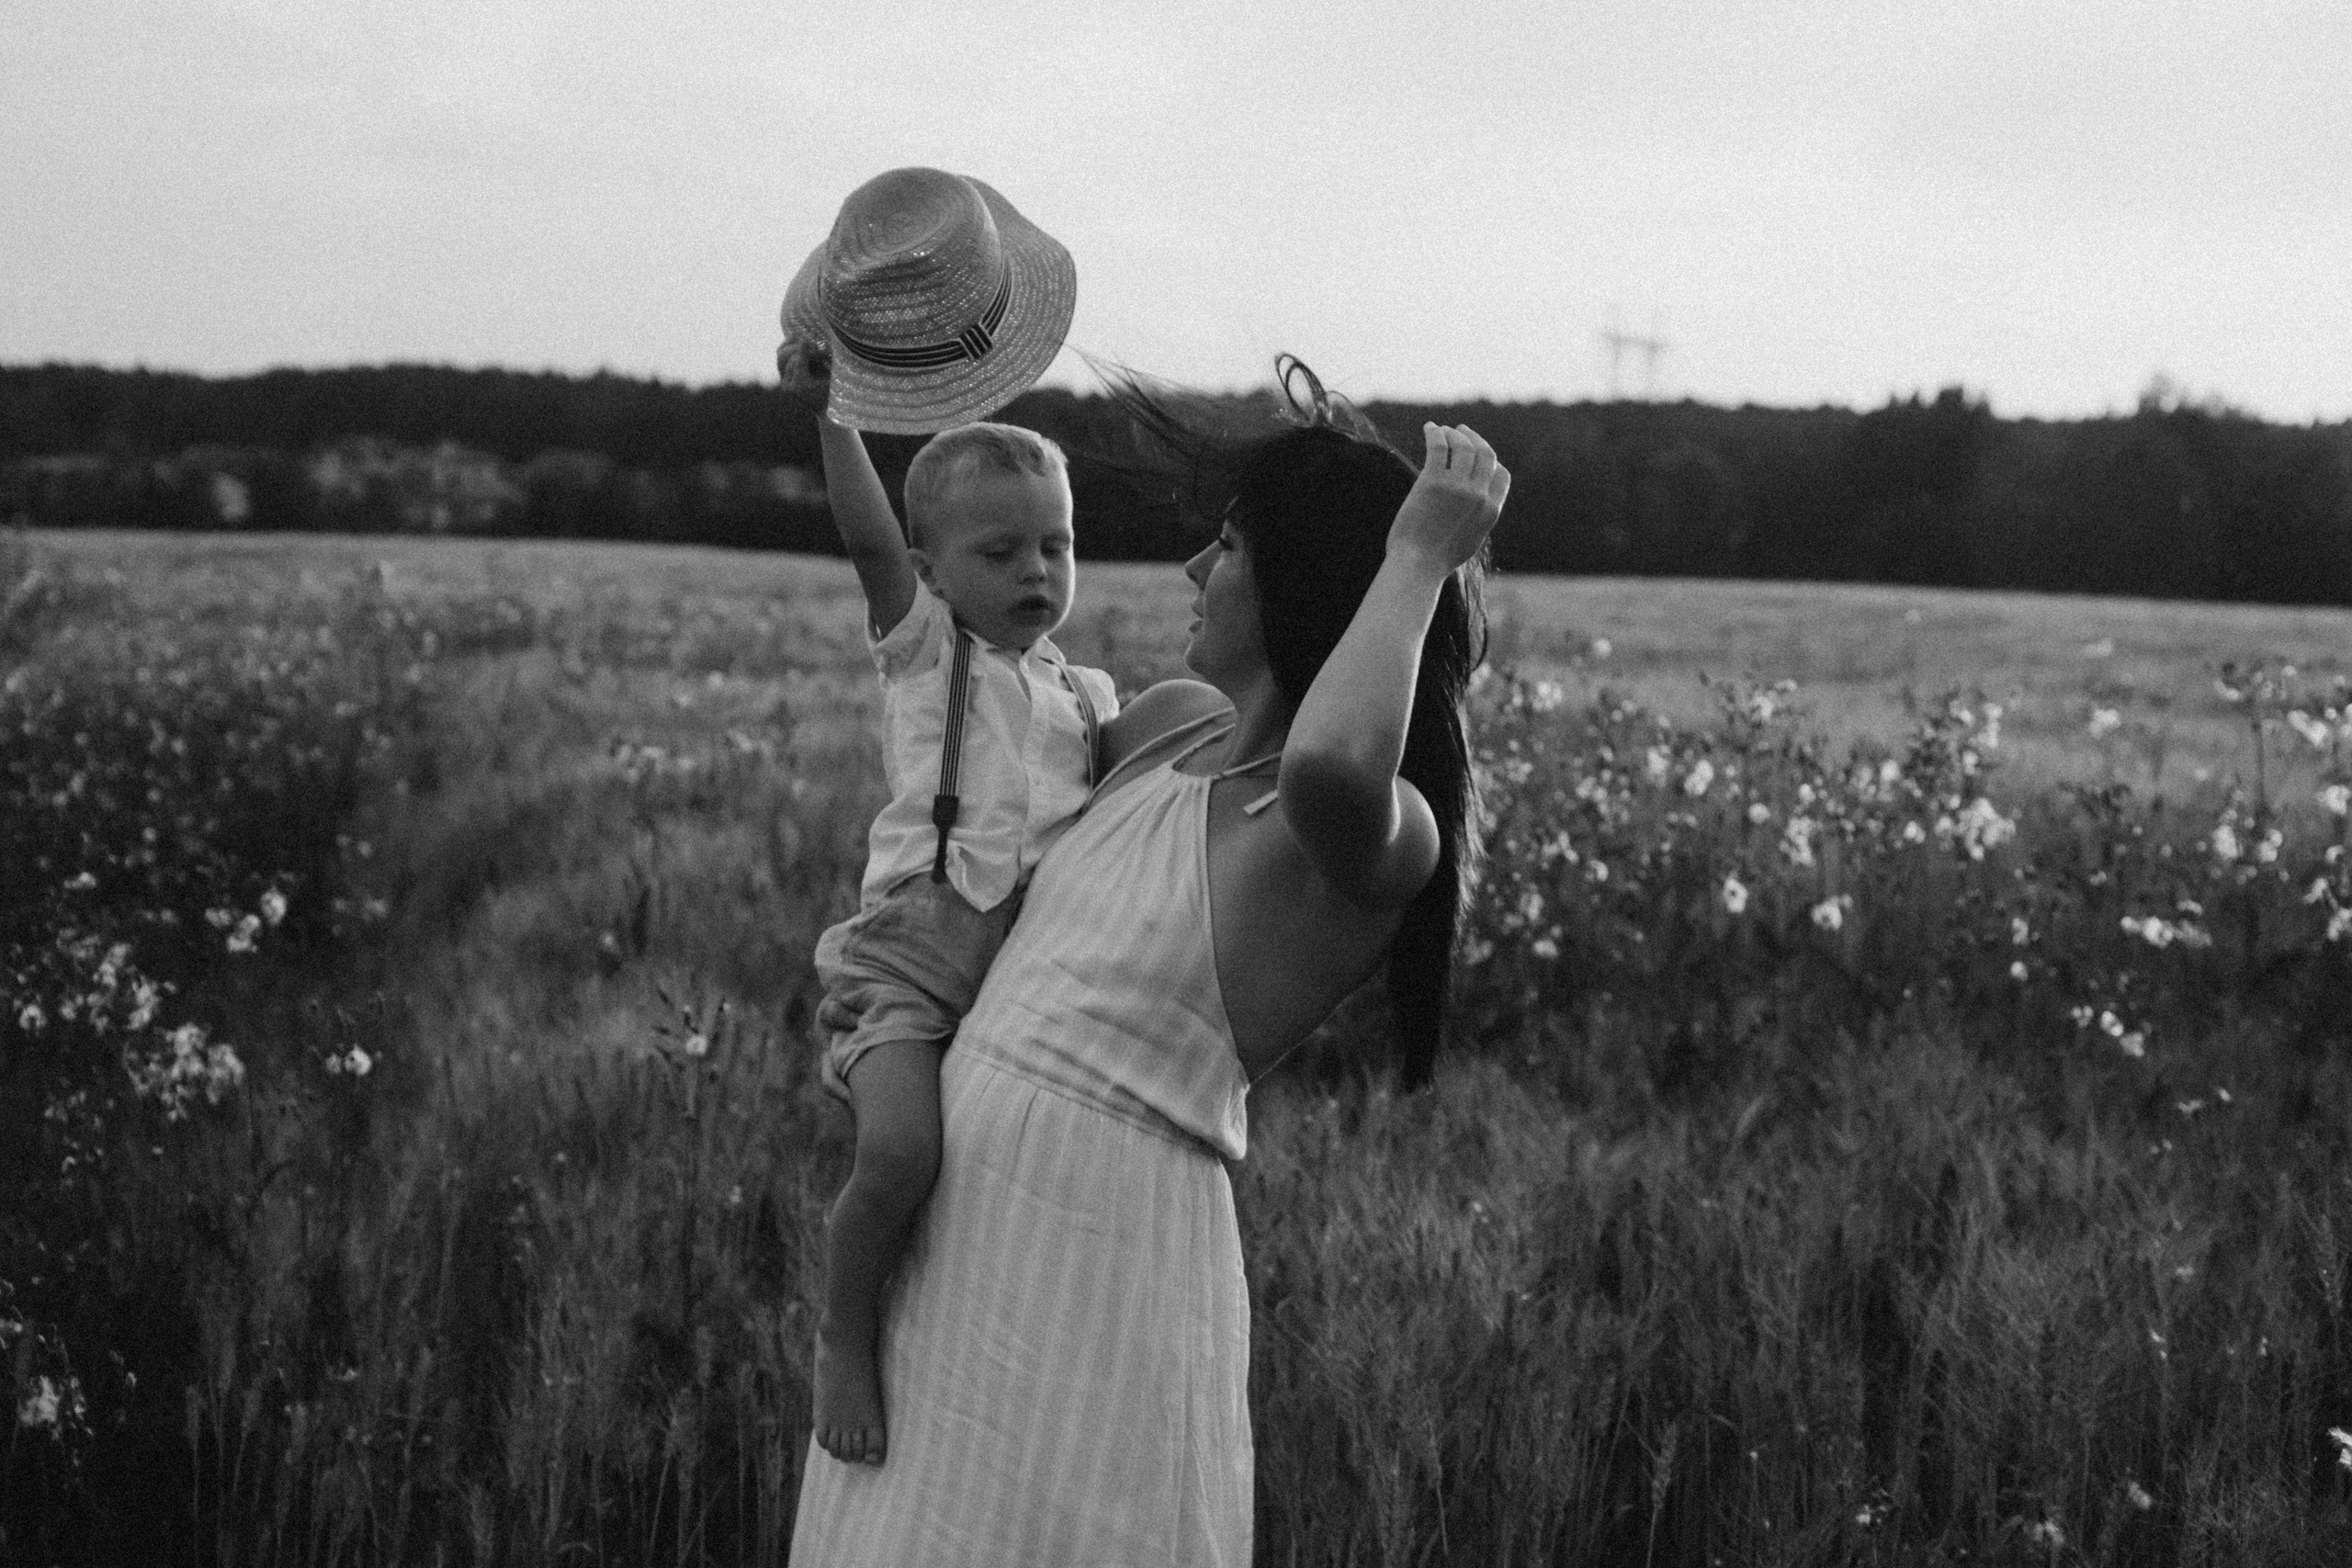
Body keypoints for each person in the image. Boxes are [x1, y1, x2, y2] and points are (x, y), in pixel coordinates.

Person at [787, 359, 1510, 1563]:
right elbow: (1001, 752)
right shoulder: (1172, 732)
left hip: (1099, 1267)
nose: (1192, 569)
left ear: (1305, 578)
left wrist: (1421, 559)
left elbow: (1333, 757)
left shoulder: (1362, 833)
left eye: (1228, 545)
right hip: (947, 1257)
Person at [777, 168, 1111, 1468]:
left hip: (1028, 975)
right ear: (931, 573)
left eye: (1058, 546)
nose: (1037, 573)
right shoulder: (925, 650)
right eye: (1001, 553)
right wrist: (832, 423)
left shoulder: (1085, 695)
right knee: (906, 1155)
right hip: (913, 964)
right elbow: (865, 543)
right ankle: (845, 1329)